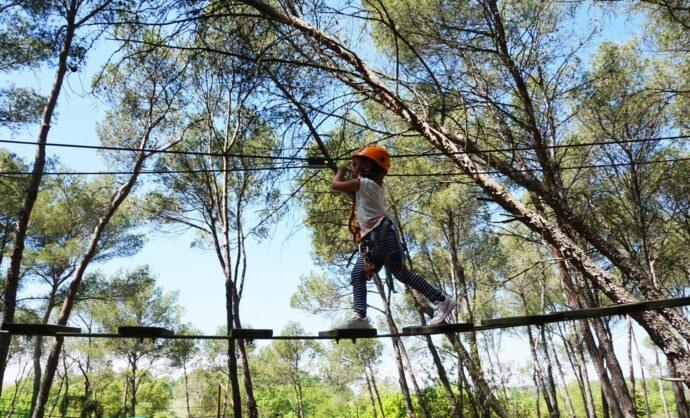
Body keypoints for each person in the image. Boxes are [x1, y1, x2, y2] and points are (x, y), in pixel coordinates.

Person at [331, 144, 457, 329]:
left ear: (367, 168)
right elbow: (352, 190)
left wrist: (340, 171)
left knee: (400, 273)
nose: (352, 170)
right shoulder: (369, 185)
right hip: (372, 239)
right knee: (358, 274)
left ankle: (442, 300)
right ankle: (360, 317)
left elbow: (336, 185)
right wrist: (351, 171)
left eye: (355, 165)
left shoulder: (364, 184)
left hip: (381, 235)